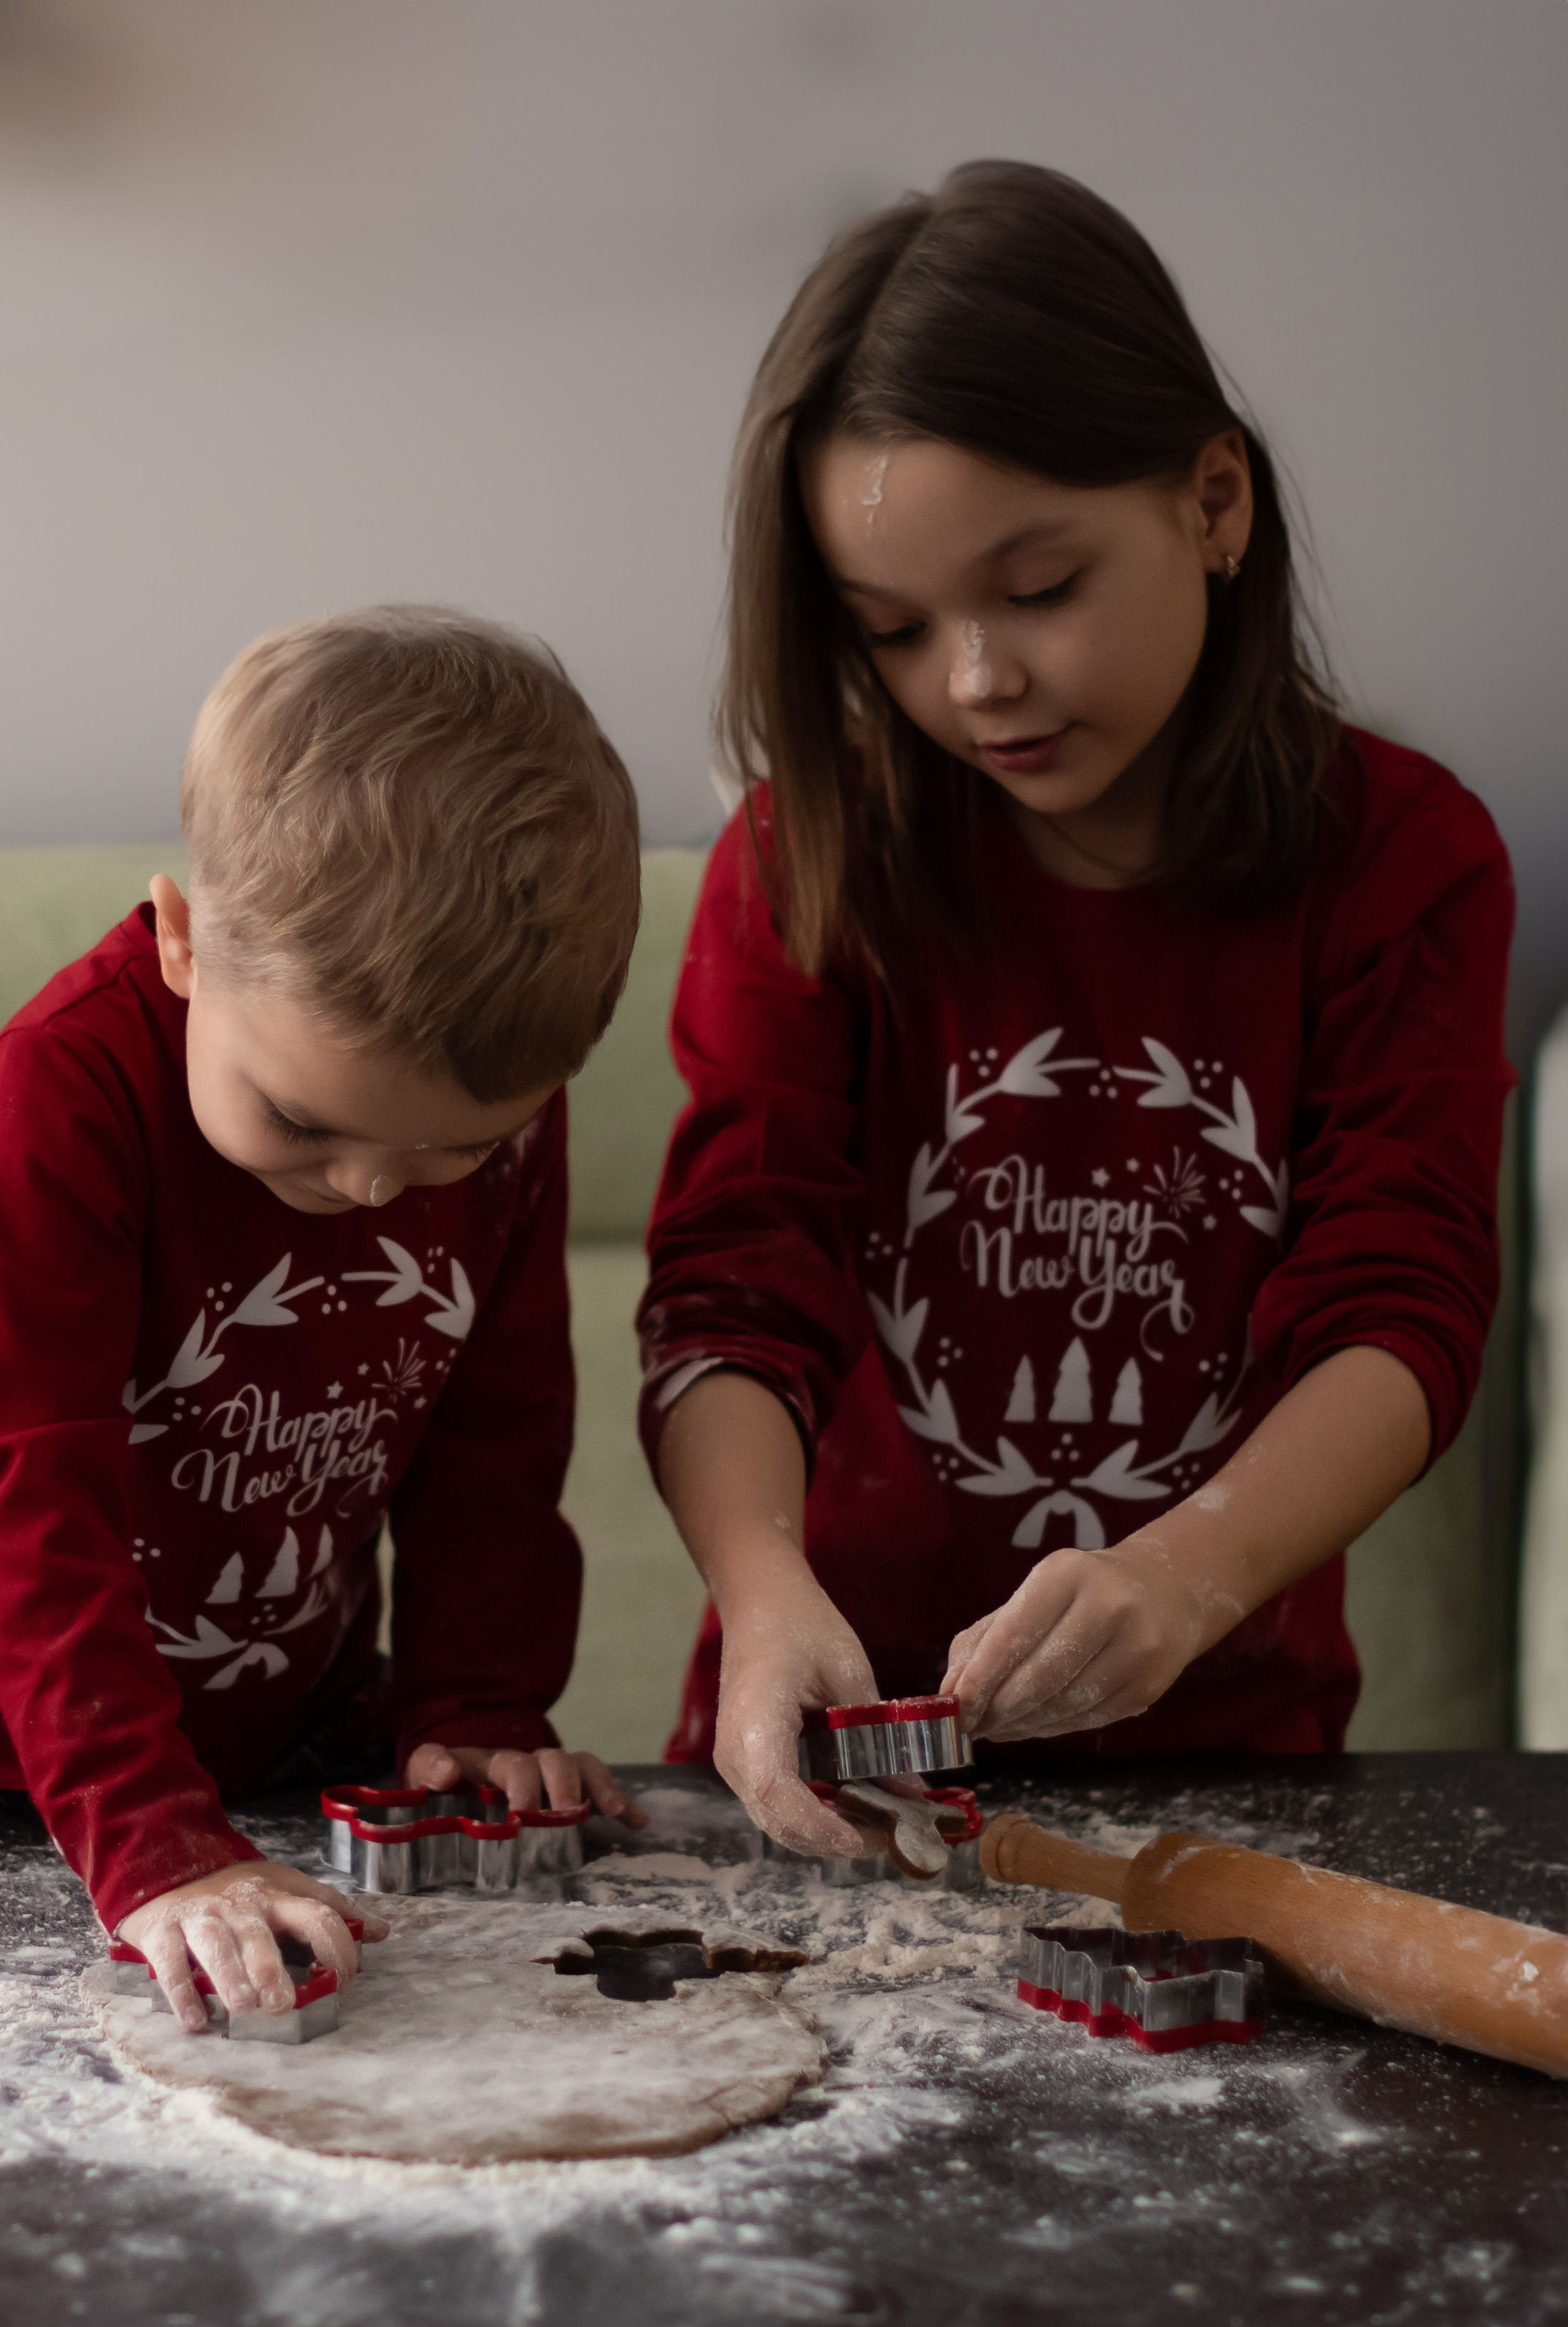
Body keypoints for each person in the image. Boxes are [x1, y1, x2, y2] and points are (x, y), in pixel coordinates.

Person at [639, 162, 1513, 1861]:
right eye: (891, 629)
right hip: (820, 1769)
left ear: (1210, 502)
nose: (974, 680)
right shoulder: (808, 857)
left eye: (1037, 589)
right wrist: (759, 1589)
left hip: (1225, 1780)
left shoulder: (1403, 859)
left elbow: (1398, 1304)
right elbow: (737, 1279)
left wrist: (1182, 1577)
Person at [0, 608, 646, 2025]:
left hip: (281, 1735)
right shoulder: (58, 1102)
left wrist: (474, 1704)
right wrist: (148, 1838)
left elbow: (494, 1432)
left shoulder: (491, 1110)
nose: (376, 1186)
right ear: (184, 937)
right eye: (304, 1122)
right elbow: (25, 1494)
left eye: (449, 1151)